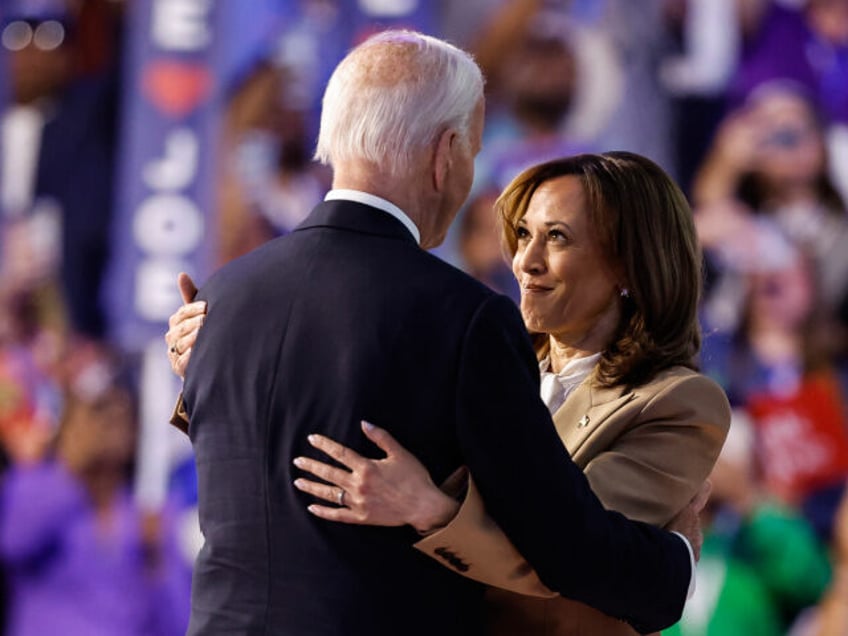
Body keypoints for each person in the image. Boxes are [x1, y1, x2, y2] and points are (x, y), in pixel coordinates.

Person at [165, 30, 702, 636]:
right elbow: (561, 541)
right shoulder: (466, 318)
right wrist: (673, 563)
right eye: (472, 150)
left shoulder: (218, 300)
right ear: (445, 154)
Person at [217, 152, 728, 635]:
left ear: (628, 265)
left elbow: (570, 550)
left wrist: (433, 510)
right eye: (524, 235)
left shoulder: (678, 403)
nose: (526, 261)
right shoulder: (482, 361)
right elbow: (334, 417)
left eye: (557, 237)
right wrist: (223, 351)